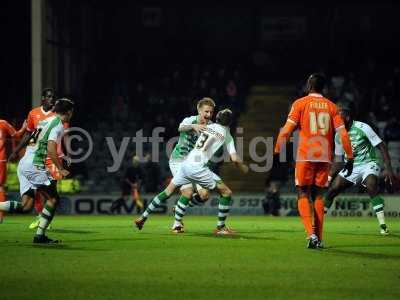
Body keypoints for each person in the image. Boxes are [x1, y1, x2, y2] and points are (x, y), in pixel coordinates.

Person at [134, 109, 249, 235]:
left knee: (168, 191)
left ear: (217, 119)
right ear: (230, 123)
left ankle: (142, 218)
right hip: (199, 168)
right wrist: (244, 167)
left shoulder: (209, 127)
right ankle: (220, 227)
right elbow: (234, 158)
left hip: (186, 164)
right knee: (226, 192)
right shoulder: (227, 134)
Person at [274, 74, 354, 249]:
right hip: (325, 156)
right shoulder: (333, 107)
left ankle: (311, 235)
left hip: (305, 154)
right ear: (324, 88)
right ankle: (319, 238)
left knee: (302, 193)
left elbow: (287, 130)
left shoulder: (300, 103)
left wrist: (277, 149)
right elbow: (343, 134)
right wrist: (350, 157)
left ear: (309, 84)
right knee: (318, 195)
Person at [0, 98, 74, 243]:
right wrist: (60, 168)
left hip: (25, 164)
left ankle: (39, 235)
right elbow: (51, 147)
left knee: (27, 206)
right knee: (53, 199)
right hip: (34, 165)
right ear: (69, 112)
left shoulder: (45, 121)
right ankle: (40, 236)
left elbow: (32, 140)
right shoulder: (58, 124)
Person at [325, 102, 395, 235]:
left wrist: (389, 168)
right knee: (333, 189)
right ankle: (318, 223)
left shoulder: (363, 127)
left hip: (369, 163)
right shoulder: (338, 135)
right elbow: (339, 160)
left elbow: (381, 146)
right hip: (351, 166)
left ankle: (383, 226)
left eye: (339, 117)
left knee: (370, 185)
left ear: (347, 117)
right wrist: (329, 177)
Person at [168, 97, 216, 233]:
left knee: (205, 195)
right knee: (188, 192)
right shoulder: (190, 120)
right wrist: (194, 126)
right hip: (179, 160)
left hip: (195, 163)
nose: (208, 115)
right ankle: (177, 225)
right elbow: (180, 127)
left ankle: (179, 207)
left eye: (211, 112)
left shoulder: (212, 127)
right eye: (206, 111)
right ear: (199, 111)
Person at [0, 119, 24, 223]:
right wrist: (24, 127)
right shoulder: (3, 123)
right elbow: (17, 135)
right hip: (0, 160)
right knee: (0, 188)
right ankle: (0, 216)